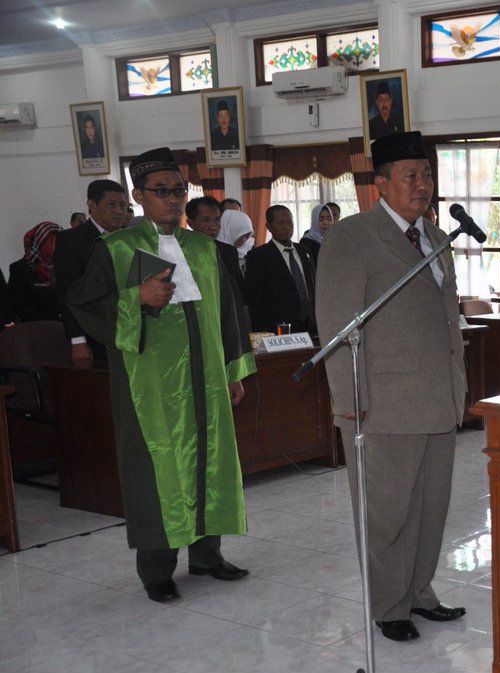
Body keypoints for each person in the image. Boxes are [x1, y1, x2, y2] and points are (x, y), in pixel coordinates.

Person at [66, 147, 255, 603]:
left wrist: (234, 372)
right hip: (148, 386)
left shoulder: (205, 249)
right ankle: (156, 570)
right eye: (161, 192)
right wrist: (137, 299)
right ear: (138, 195)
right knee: (157, 472)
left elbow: (229, 315)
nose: (172, 199)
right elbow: (82, 306)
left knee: (210, 463)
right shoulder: (113, 249)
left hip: (207, 381)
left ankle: (208, 555)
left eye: (178, 191)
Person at [314, 130, 467, 643]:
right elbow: (336, 325)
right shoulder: (351, 237)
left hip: (439, 397)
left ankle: (420, 593)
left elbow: (446, 318)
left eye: (426, 174)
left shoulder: (438, 237)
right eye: (410, 175)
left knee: (430, 506)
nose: (422, 184)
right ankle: (389, 605)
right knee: (387, 511)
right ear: (381, 183)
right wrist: (347, 399)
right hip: (382, 402)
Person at [54, 179, 129, 367]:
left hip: (127, 330)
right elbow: (67, 292)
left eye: (123, 205)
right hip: (92, 334)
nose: (119, 211)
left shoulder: (129, 239)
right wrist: (78, 341)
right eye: (111, 205)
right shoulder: (71, 240)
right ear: (92, 205)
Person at [243, 205, 317, 338]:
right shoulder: (258, 256)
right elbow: (255, 300)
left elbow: (312, 286)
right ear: (269, 226)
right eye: (281, 223)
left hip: (310, 327)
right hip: (278, 329)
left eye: (290, 222)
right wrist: (262, 333)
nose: (287, 227)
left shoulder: (304, 251)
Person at [187, 195, 249, 302]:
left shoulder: (228, 251)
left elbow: (238, 290)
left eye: (217, 220)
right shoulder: (183, 249)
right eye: (206, 220)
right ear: (191, 223)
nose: (213, 226)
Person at [8, 222, 61, 322]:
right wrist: (49, 323)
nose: (57, 245)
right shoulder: (20, 269)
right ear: (39, 242)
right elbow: (19, 306)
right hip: (34, 331)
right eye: (52, 240)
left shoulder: (65, 267)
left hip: (64, 330)